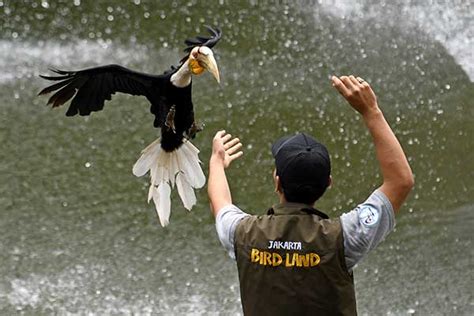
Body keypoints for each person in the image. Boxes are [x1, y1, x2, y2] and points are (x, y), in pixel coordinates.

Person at [207, 75, 414, 315]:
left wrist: (217, 162)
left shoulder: (242, 234)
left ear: (277, 182)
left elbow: (219, 203)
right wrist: (371, 111)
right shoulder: (344, 238)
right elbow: (401, 181)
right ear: (328, 184)